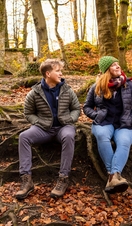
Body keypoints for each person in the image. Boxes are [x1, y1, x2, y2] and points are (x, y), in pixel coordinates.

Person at [15, 58, 80, 200]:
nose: (61, 74)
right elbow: (28, 113)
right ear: (48, 73)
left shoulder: (67, 90)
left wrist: (70, 120)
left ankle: (63, 178)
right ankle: (27, 180)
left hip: (64, 127)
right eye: (58, 71)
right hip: (43, 129)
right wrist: (38, 122)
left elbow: (76, 108)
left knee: (69, 136)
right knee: (23, 137)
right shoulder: (34, 93)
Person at [83, 55, 132, 194]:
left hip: (124, 123)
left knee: (124, 141)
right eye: (113, 64)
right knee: (102, 135)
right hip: (104, 122)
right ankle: (115, 177)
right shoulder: (96, 87)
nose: (118, 66)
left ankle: (112, 176)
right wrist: (96, 115)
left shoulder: (129, 85)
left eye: (118, 63)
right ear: (106, 70)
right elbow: (87, 107)